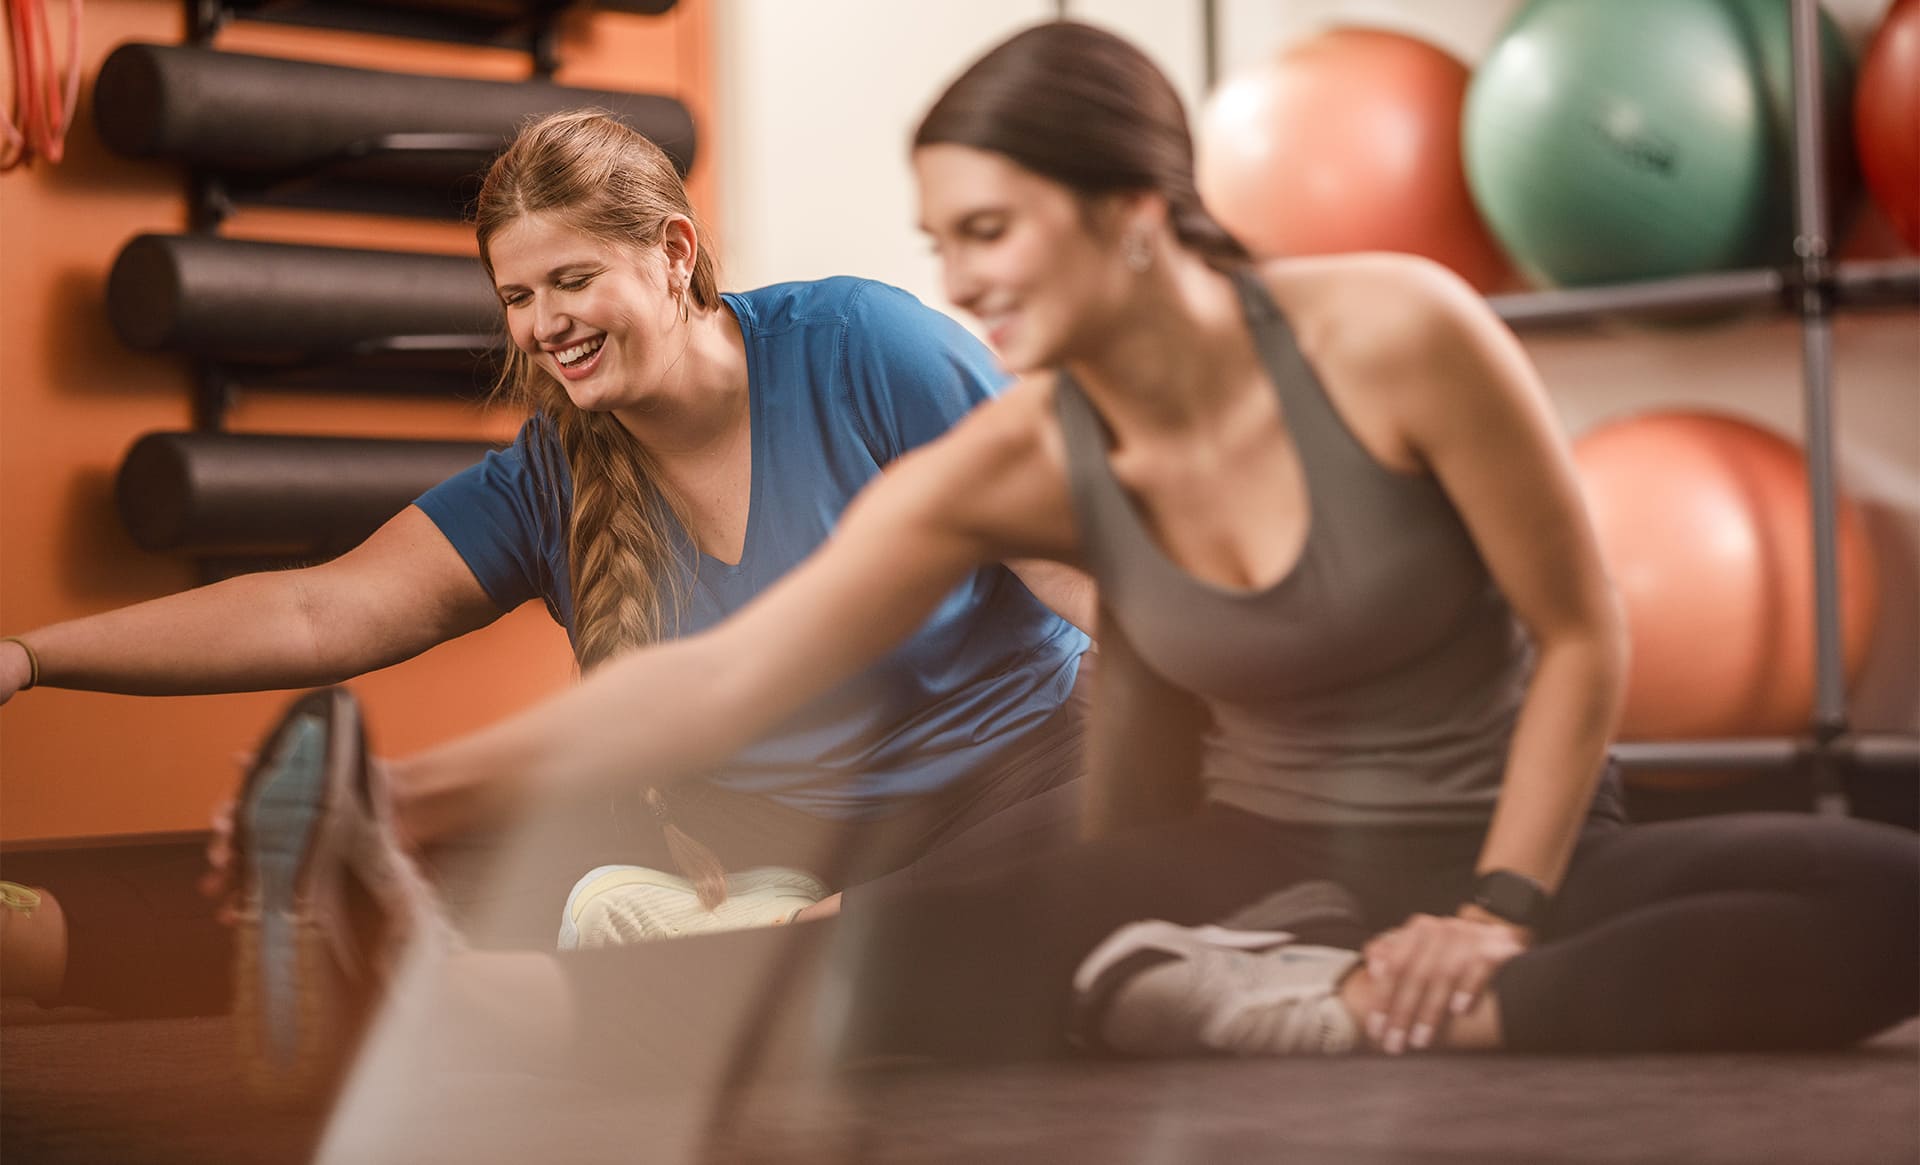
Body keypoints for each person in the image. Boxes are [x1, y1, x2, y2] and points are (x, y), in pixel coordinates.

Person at [234, 21, 1916, 1100]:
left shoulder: (1395, 333)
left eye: (988, 231)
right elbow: (726, 676)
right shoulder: (1031, 449)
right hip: (1252, 870)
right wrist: (408, 804)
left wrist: (1495, 911)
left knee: (1888, 907)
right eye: (937, 242)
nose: (958, 282)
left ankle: (1370, 1009)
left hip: (1521, 848)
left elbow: (1582, 632)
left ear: (1130, 208)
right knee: (878, 965)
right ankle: (469, 1002)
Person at [0, 109, 1096, 1017]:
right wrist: (27, 655)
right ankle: (37, 941)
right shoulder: (549, 476)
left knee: (1063, 854)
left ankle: (700, 972)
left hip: (1009, 791)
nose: (543, 326)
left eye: (570, 280)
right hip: (763, 842)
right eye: (517, 298)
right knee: (384, 865)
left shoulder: (867, 348)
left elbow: (1079, 573)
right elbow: (318, 608)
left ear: (673, 252)